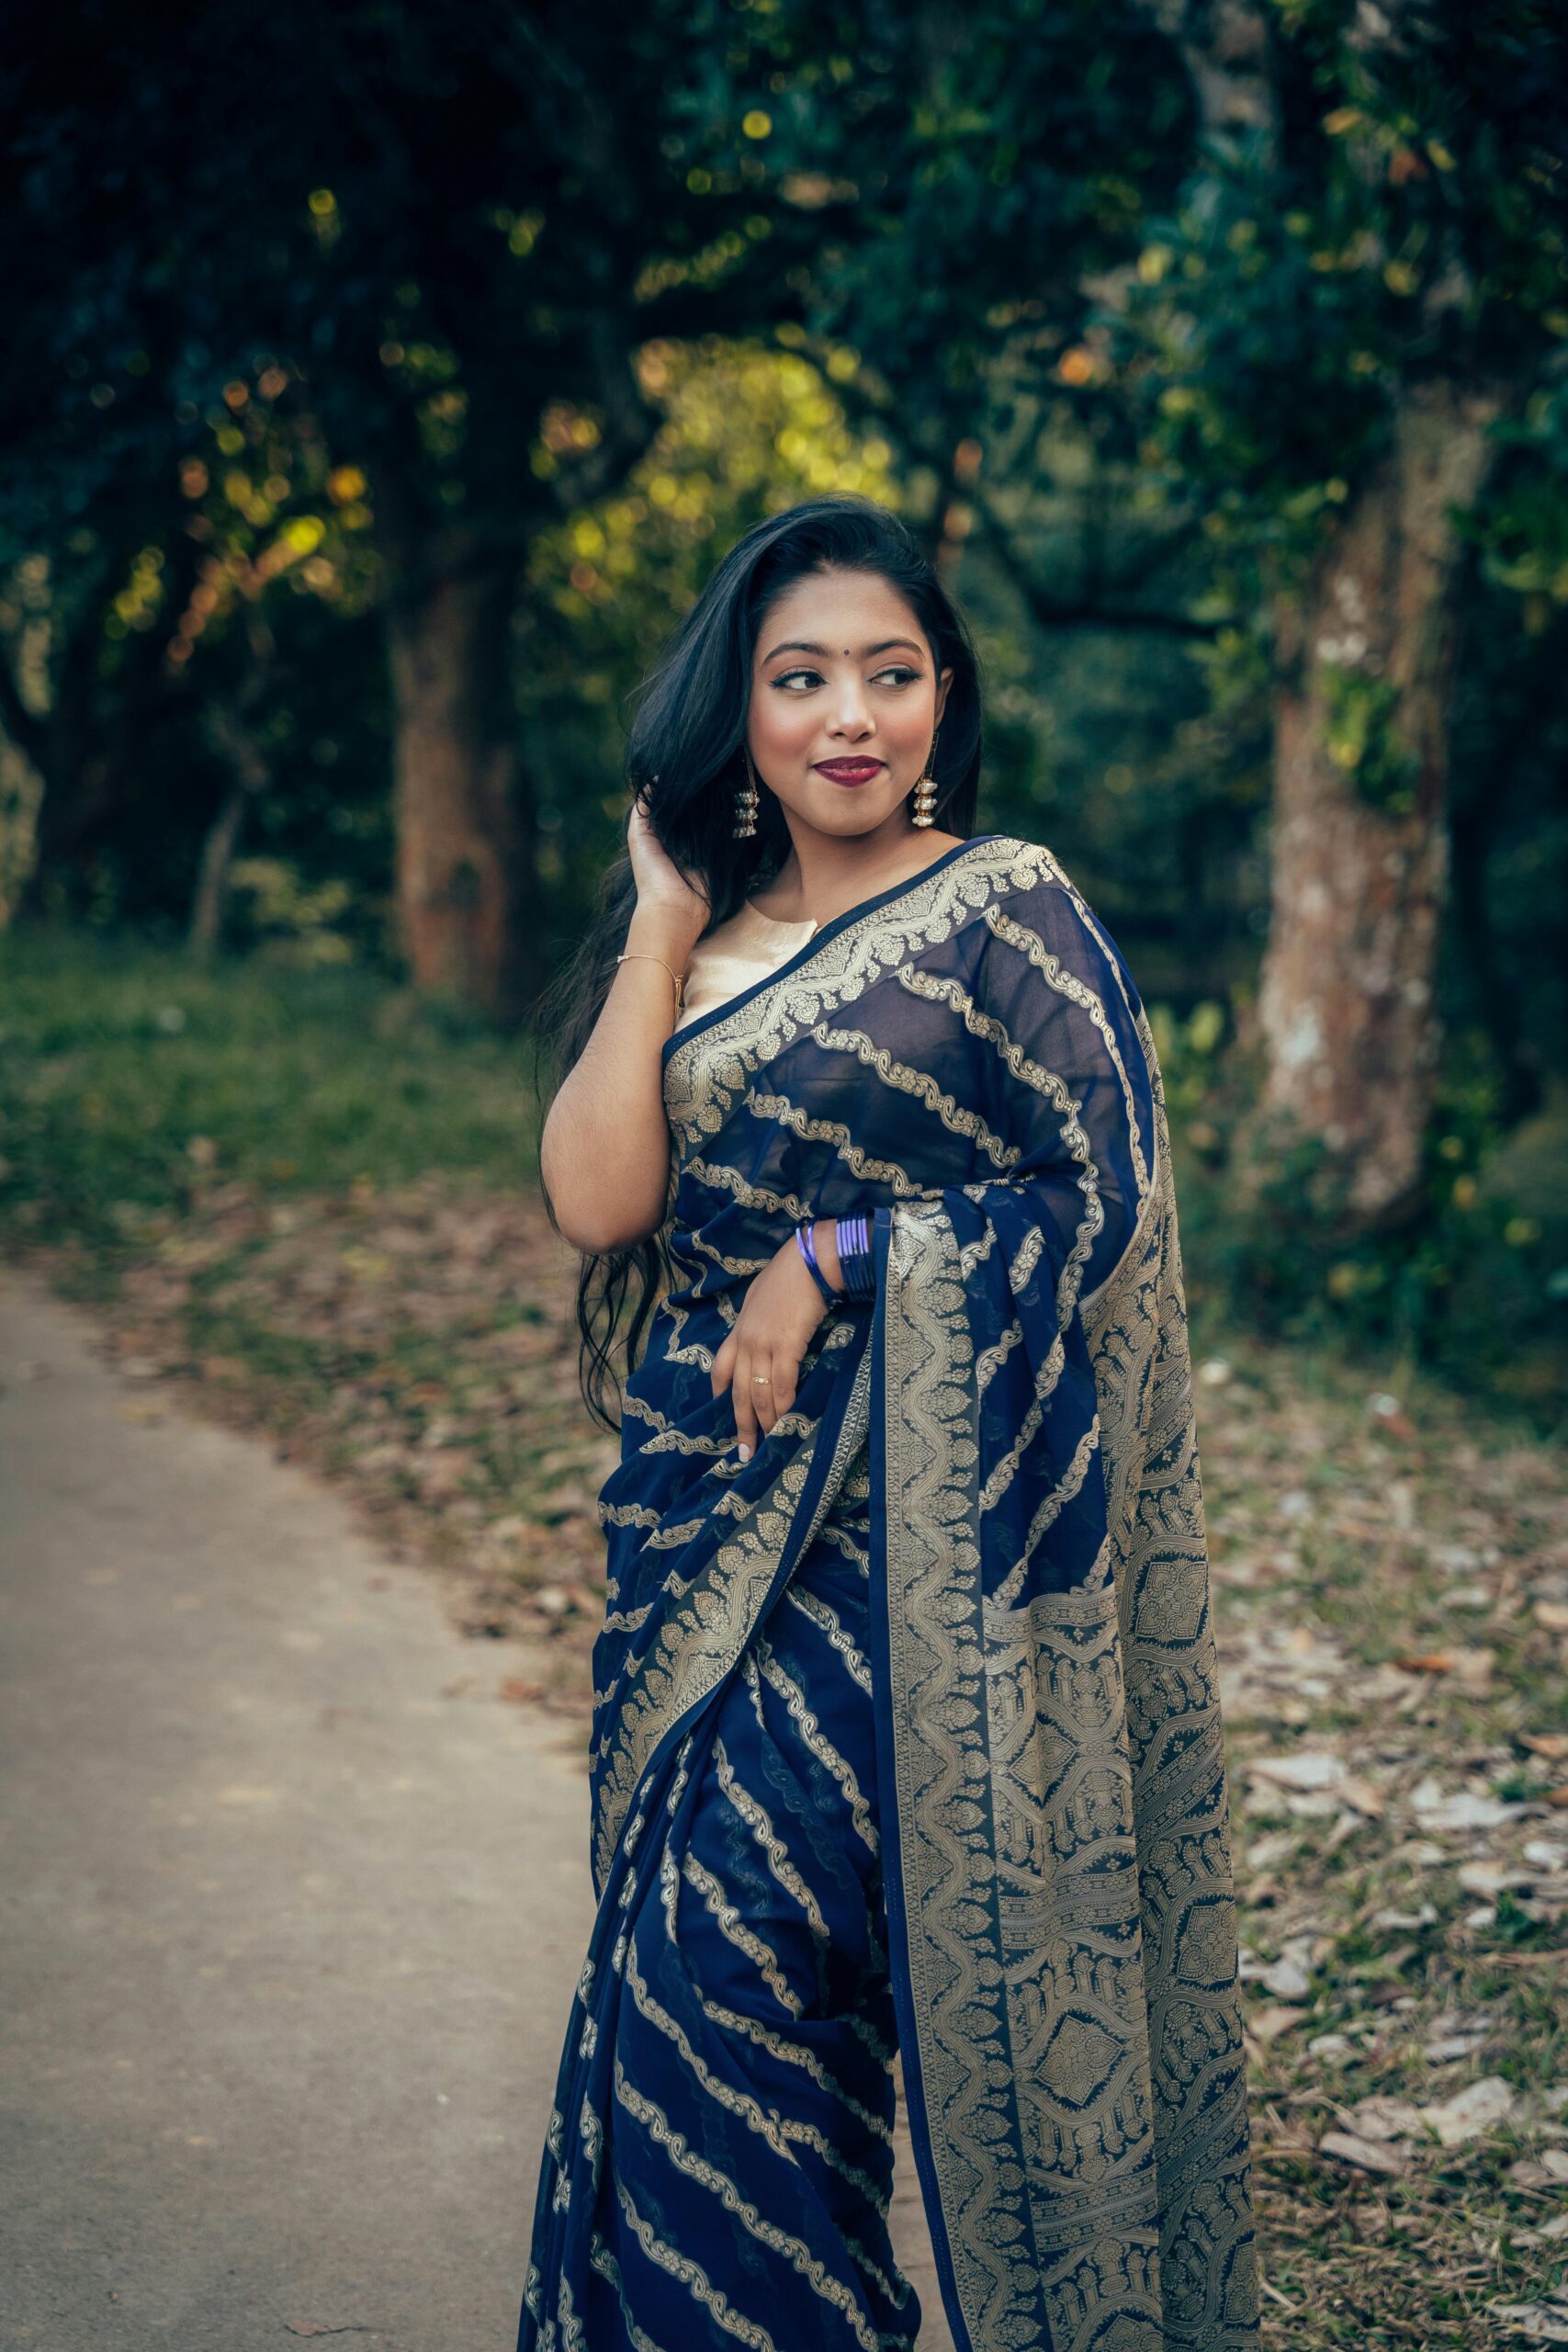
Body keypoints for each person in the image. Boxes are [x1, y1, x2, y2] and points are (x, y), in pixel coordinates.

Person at [516, 494, 1259, 2352]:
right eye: (800, 677)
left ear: (941, 697)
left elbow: (1109, 1204)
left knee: (735, 1965)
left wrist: (846, 1249)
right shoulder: (693, 938)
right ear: (740, 709)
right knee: (696, 2020)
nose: (849, 713)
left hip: (919, 1564)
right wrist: (666, 909)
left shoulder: (1004, 910)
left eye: (890, 672)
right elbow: (599, 1200)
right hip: (695, 1535)